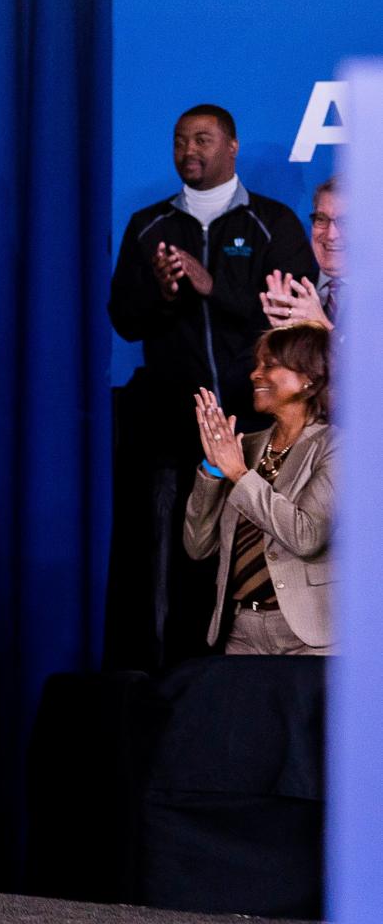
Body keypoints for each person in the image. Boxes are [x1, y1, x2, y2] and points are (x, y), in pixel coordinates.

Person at [104, 104, 317, 669]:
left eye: (201, 138)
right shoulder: (149, 226)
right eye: (179, 141)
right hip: (172, 427)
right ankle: (164, 675)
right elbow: (124, 318)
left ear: (232, 146)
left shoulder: (273, 223)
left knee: (252, 549)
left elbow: (295, 326)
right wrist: (164, 291)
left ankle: (242, 669)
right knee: (169, 552)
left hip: (257, 427)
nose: (188, 150)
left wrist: (211, 285)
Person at [183, 323, 334, 655]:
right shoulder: (243, 447)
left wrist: (238, 473)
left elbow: (306, 536)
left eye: (270, 364)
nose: (255, 374)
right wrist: (211, 469)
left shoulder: (337, 447)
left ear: (309, 379)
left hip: (310, 637)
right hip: (241, 632)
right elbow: (197, 547)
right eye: (257, 364)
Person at [262, 176, 344, 330]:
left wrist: (323, 326)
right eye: (321, 219)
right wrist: (281, 336)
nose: (331, 235)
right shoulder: (287, 295)